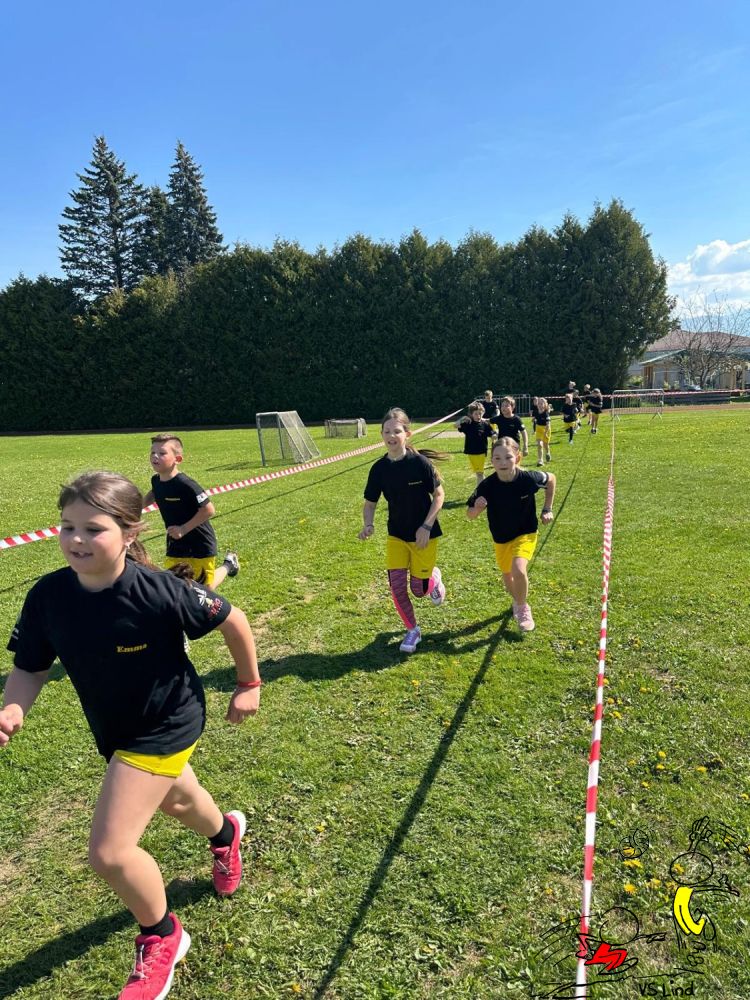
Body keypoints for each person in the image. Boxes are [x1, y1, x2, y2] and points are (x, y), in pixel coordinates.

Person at [0, 471, 261, 1000]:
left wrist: (248, 684)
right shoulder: (48, 596)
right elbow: (30, 666)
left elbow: (233, 620)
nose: (76, 539)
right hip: (115, 727)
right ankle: (225, 836)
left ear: (130, 531)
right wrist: (12, 707)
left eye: (93, 529)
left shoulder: (161, 591)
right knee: (177, 799)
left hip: (168, 721)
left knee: (110, 851)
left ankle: (163, 935)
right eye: (67, 526)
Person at [359, 408, 447, 654]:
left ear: (407, 434)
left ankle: (433, 579)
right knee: (397, 588)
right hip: (396, 535)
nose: (391, 436)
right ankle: (412, 630)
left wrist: (426, 526)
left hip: (424, 536)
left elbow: (439, 495)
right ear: (381, 435)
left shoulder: (420, 463)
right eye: (387, 431)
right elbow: (370, 504)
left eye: (396, 431)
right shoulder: (379, 469)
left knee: (418, 591)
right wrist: (368, 525)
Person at [466, 438, 556, 633]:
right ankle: (518, 601)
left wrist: (547, 508)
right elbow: (470, 514)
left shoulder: (528, 479)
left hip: (526, 531)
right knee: (508, 579)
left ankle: (523, 608)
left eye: (508, 457)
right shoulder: (487, 486)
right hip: (501, 537)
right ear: (492, 461)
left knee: (518, 569)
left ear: (518, 457)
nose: (503, 462)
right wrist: (477, 509)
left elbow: (551, 479)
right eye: (497, 458)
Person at [144, 433, 239, 588]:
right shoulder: (156, 480)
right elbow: (155, 493)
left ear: (177, 459)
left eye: (162, 453)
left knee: (204, 590)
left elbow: (208, 510)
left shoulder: (186, 484)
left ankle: (229, 564)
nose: (155, 456)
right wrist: (136, 508)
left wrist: (183, 529)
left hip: (200, 543)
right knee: (175, 586)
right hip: (175, 543)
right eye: (153, 452)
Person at [456, 402, 495, 486]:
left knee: (480, 473)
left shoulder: (485, 424)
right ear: (471, 414)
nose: (478, 416)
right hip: (471, 452)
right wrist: (463, 418)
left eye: (480, 413)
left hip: (481, 452)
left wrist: (494, 435)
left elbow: (492, 433)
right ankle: (485, 488)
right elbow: (456, 425)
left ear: (483, 413)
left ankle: (480, 490)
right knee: (478, 473)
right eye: (476, 414)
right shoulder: (468, 423)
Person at [534, 397, 553, 466]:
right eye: (538, 403)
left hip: (546, 430)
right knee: (539, 444)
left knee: (545, 445)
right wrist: (534, 419)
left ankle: (548, 452)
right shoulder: (536, 412)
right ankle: (540, 460)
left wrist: (545, 433)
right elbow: (536, 419)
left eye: (541, 403)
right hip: (538, 429)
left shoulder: (546, 414)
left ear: (545, 405)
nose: (539, 405)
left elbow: (548, 425)